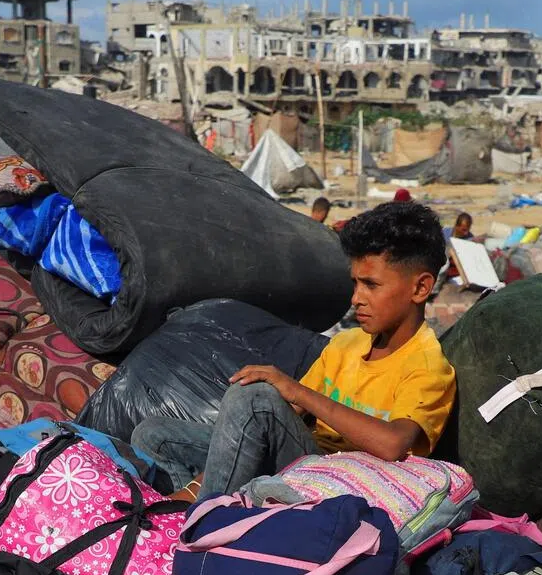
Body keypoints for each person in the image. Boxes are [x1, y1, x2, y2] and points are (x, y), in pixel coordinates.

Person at [132, 202, 457, 500]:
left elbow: (392, 444)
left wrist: (296, 390)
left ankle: (202, 522)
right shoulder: (347, 344)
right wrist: (203, 479)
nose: (356, 298)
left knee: (255, 399)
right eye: (355, 283)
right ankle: (188, 507)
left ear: (420, 288)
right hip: (305, 462)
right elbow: (282, 416)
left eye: (370, 285)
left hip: (349, 485)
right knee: (153, 434)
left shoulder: (428, 366)